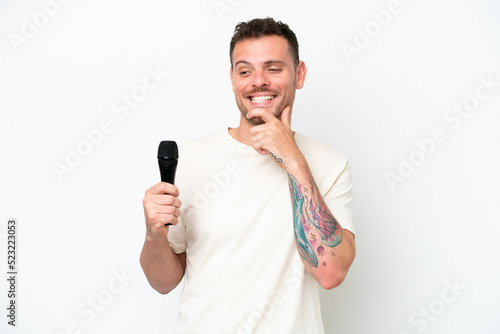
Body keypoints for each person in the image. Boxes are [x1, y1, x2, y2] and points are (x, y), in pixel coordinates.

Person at [140, 17, 356, 333]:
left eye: (273, 68)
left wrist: (293, 159)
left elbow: (330, 273)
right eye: (245, 71)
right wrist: (153, 234)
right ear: (232, 79)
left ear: (300, 74)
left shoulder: (329, 163)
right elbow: (163, 282)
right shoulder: (191, 159)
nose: (258, 81)